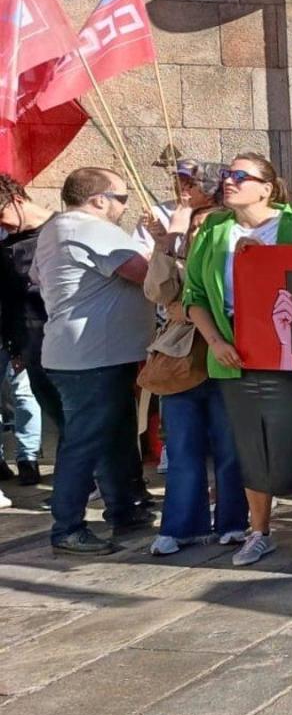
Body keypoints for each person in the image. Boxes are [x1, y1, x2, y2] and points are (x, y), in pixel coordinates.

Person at [183, 154, 292, 566]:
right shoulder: (214, 229)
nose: (228, 181)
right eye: (227, 175)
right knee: (248, 445)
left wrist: (266, 256)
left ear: (266, 188)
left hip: (286, 346)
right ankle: (259, 530)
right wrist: (215, 341)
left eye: (239, 175)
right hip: (233, 347)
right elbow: (194, 294)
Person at [35, 169, 154, 553]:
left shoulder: (55, 229)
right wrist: (167, 243)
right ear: (99, 199)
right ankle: (67, 528)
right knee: (85, 442)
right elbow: (146, 275)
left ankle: (124, 510)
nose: (124, 207)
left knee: (115, 437)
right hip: (92, 356)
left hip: (89, 353)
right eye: (122, 198)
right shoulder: (91, 229)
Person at [148, 158, 247, 556]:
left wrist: (191, 307)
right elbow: (158, 292)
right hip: (181, 355)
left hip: (226, 351)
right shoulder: (180, 228)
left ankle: (234, 520)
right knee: (183, 446)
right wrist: (165, 243)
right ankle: (181, 525)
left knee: (230, 444)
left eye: (190, 183)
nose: (183, 190)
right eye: (180, 183)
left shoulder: (230, 228)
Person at [0, 173, 64, 448]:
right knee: (62, 422)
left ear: (16, 200)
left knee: (81, 426)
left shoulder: (63, 228)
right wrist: (14, 348)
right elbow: (9, 300)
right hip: (32, 348)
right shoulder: (6, 246)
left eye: (1, 216)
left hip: (71, 346)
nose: (2, 226)